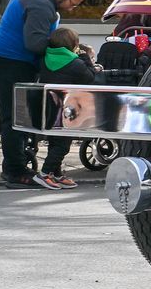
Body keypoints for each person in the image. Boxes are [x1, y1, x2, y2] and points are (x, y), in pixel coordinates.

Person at [0, 0, 87, 187]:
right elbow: (35, 43)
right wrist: (66, 53)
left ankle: (24, 166)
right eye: (72, 4)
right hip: (10, 63)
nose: (71, 9)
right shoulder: (40, 4)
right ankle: (15, 172)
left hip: (9, 61)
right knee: (15, 119)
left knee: (21, 117)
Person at [32, 28, 100, 190]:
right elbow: (90, 77)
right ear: (74, 45)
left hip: (48, 108)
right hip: (67, 110)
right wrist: (86, 58)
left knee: (55, 141)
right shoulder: (75, 63)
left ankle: (56, 174)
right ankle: (45, 173)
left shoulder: (44, 59)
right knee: (63, 145)